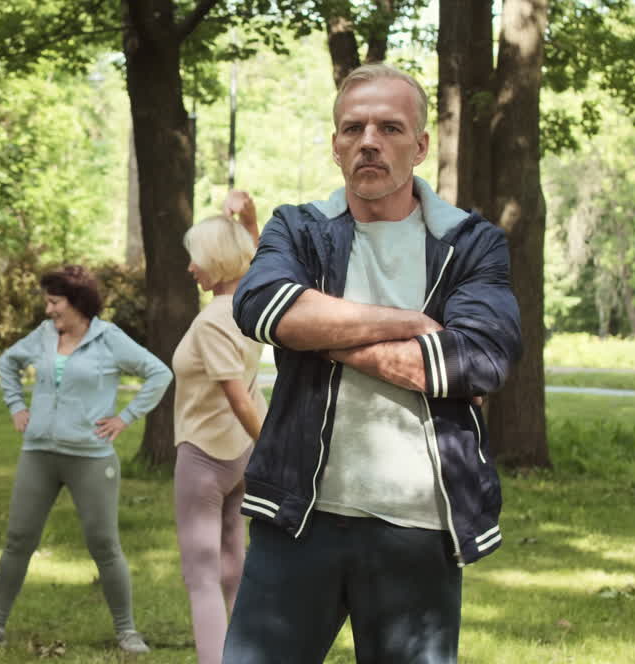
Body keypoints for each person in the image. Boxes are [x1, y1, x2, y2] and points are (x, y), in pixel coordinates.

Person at [223, 63, 522, 664]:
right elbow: (261, 307)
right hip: (297, 518)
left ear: (420, 145)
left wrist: (314, 332)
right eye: (353, 128)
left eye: (389, 127)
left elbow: (479, 358)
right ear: (335, 145)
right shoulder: (300, 228)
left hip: (418, 524)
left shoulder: (470, 242)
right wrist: (411, 322)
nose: (369, 141)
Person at [0, 265, 172, 654]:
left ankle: (127, 632)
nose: (48, 310)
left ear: (76, 302)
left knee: (104, 545)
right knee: (17, 541)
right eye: (48, 301)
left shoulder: (109, 339)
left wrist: (125, 418)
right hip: (39, 453)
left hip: (90, 457)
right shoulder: (44, 336)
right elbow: (8, 362)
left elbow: (158, 373)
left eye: (54, 302)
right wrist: (15, 405)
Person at [172, 190, 267, 664]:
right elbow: (257, 259)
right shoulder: (249, 308)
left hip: (204, 457)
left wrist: (270, 451)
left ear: (216, 260)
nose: (191, 268)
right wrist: (251, 220)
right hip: (237, 459)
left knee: (202, 573)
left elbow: (235, 395)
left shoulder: (212, 320)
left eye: (197, 259)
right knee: (233, 565)